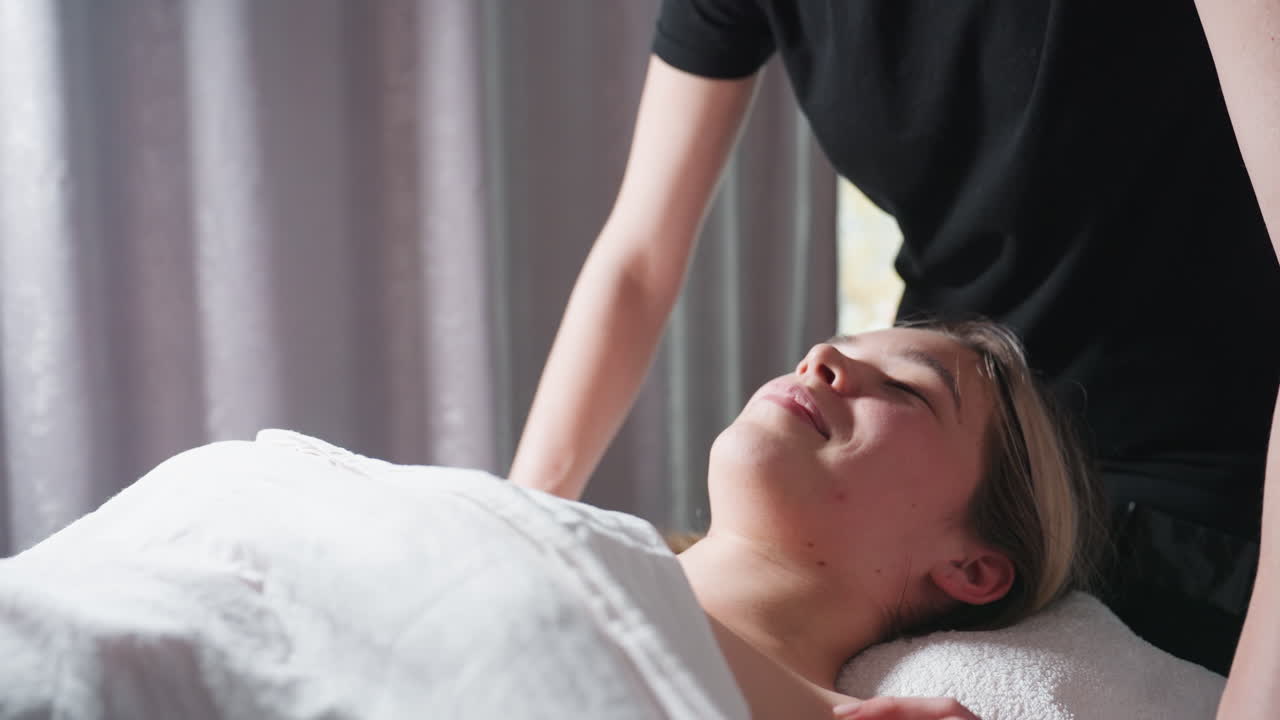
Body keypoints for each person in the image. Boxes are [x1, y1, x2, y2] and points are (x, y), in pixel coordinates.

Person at [509, 1, 1280, 675]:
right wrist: (516, 524)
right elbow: (639, 263)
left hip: (1181, 476)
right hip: (934, 425)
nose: (821, 357)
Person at [668, 319, 1102, 718]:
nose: (820, 356)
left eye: (903, 387)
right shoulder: (612, 554)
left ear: (970, 569)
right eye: (838, 345)